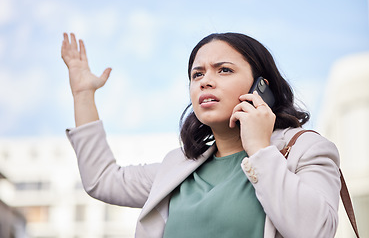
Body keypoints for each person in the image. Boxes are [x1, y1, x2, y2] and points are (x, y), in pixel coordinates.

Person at [61, 32, 341, 238]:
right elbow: (101, 180)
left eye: (224, 70)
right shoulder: (177, 168)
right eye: (197, 74)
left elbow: (316, 231)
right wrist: (83, 95)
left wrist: (259, 150)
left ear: (261, 87)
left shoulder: (305, 149)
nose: (205, 80)